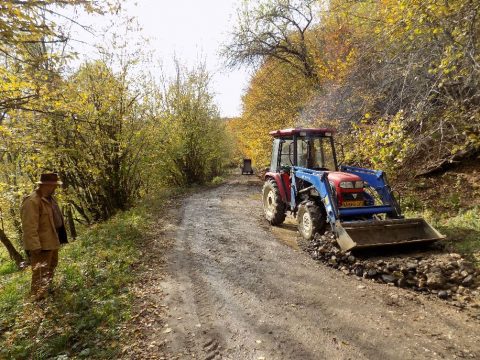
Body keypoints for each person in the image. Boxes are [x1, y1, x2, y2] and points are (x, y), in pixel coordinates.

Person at [21, 173, 68, 300]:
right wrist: (35, 246)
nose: (56, 188)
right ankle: (38, 301)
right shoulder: (32, 201)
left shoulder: (49, 199)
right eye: (54, 185)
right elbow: (29, 227)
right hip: (41, 245)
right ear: (46, 185)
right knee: (40, 274)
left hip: (52, 241)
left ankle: (46, 293)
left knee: (51, 267)